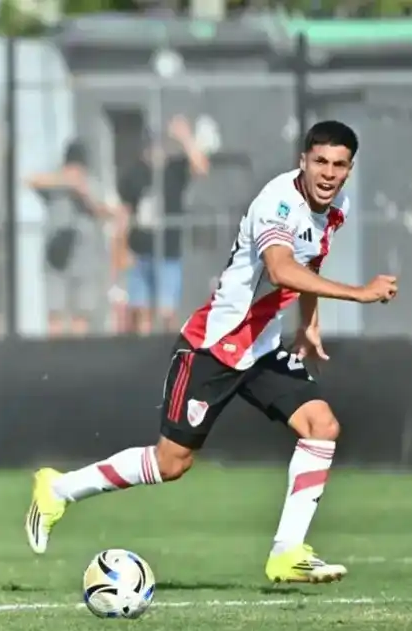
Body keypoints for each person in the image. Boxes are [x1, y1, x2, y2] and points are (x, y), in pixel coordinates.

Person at [26, 121, 398, 583]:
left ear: (349, 169)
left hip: (260, 348)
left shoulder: (335, 205)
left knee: (321, 426)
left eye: (338, 165)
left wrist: (310, 324)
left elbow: (310, 260)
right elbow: (282, 269)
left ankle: (287, 552)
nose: (328, 173)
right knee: (171, 463)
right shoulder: (276, 203)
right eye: (319, 162)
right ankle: (59, 488)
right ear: (302, 161)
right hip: (213, 347)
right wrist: (358, 293)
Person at [117, 115, 211, 333]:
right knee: (141, 311)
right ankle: (143, 357)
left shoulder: (174, 169)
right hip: (140, 251)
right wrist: (122, 249)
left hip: (168, 250)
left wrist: (185, 137)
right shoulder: (134, 173)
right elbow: (124, 213)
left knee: (167, 311)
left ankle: (166, 354)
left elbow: (201, 167)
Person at [28, 140, 113, 337]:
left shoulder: (93, 184)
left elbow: (105, 211)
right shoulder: (56, 182)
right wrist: (65, 181)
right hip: (56, 258)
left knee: (81, 314)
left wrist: (84, 193)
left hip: (86, 259)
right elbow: (31, 180)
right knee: (55, 313)